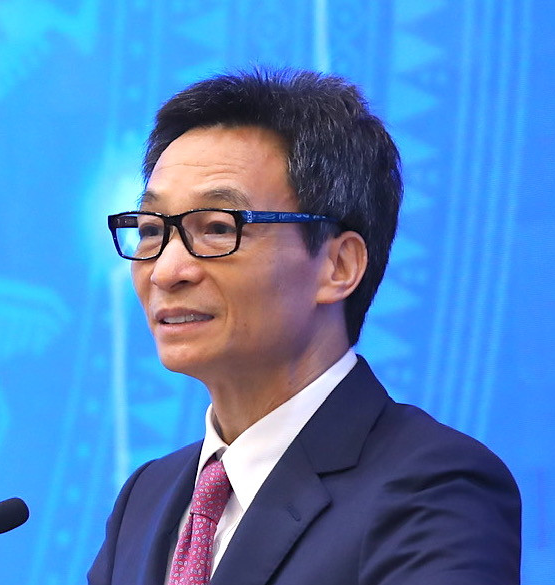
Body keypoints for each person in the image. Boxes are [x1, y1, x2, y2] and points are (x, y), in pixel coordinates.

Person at [90, 68, 521, 585]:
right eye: (151, 229)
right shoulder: (146, 498)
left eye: (218, 228)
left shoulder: (434, 488)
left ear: (338, 266)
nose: (166, 270)